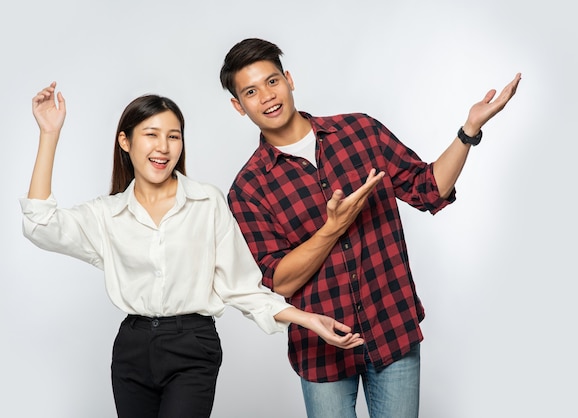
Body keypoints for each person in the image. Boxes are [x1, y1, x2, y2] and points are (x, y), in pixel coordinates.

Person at [19, 82, 366, 418]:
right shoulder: (106, 215)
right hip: (132, 348)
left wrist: (307, 319)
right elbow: (40, 225)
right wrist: (49, 135)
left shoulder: (206, 202)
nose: (164, 147)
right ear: (125, 142)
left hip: (193, 345)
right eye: (151, 135)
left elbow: (242, 285)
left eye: (173, 136)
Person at [219, 38, 521, 418]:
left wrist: (468, 131)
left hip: (392, 327)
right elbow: (280, 281)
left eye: (272, 81)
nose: (266, 96)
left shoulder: (360, 132)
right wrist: (332, 228)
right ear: (238, 106)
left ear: (289, 80)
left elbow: (428, 189)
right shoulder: (248, 188)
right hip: (322, 350)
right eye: (250, 91)